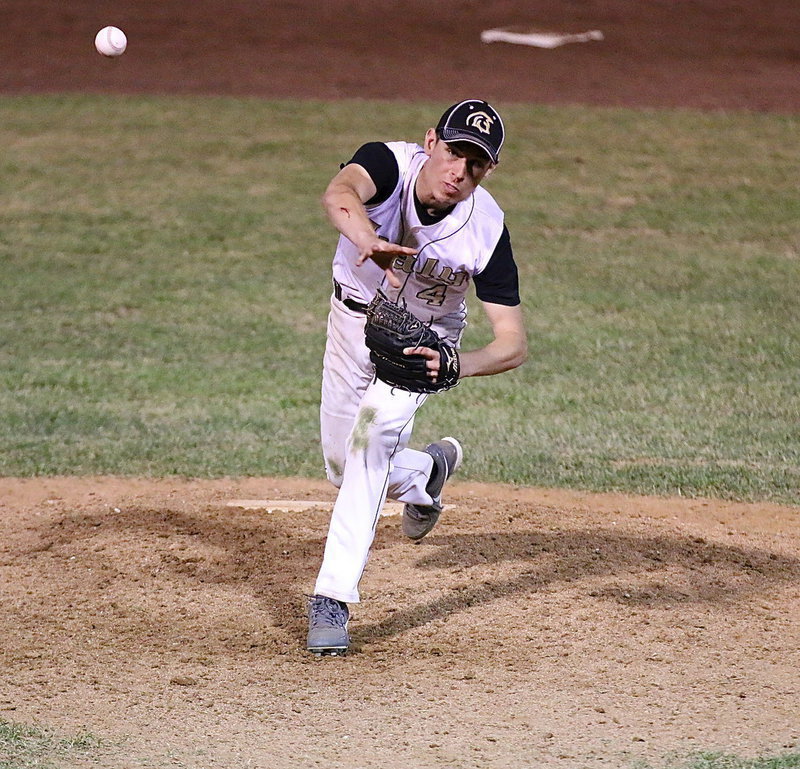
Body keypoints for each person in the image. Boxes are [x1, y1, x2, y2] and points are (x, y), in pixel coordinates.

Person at [307, 99, 528, 655]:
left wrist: (457, 363)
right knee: (341, 459)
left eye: (476, 164)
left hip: (418, 344)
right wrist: (366, 240)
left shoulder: (488, 229)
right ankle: (426, 471)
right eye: (455, 152)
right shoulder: (387, 163)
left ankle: (332, 598)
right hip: (351, 323)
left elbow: (513, 342)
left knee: (369, 443)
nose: (460, 172)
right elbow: (339, 194)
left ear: (489, 170)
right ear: (432, 142)